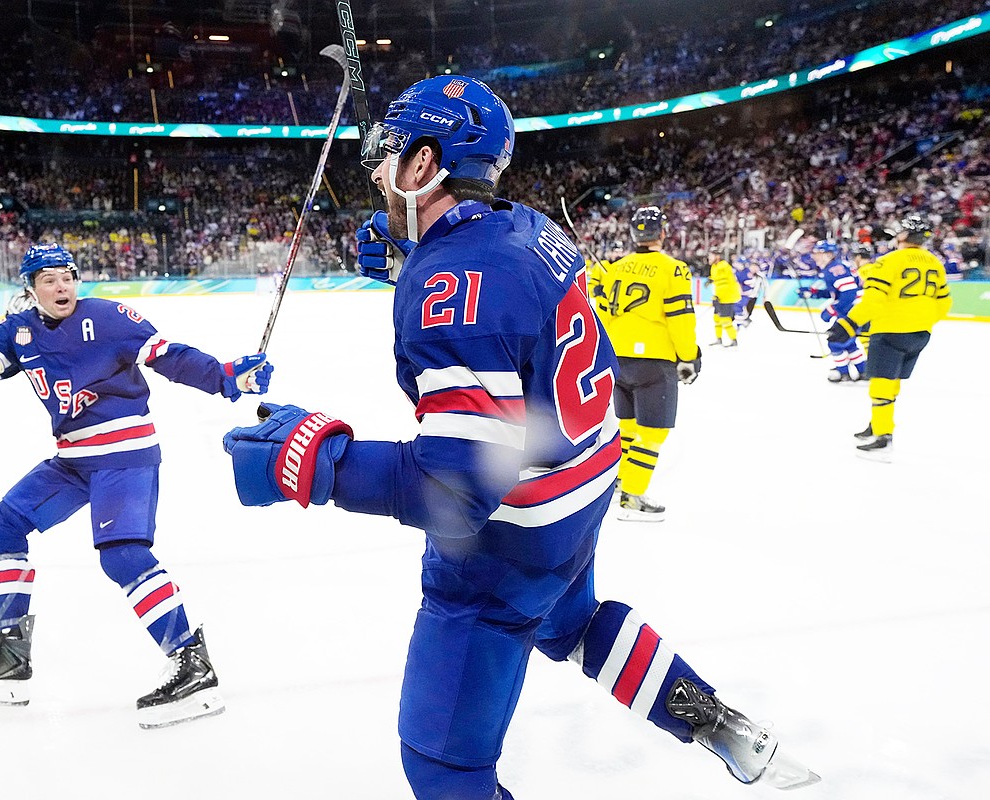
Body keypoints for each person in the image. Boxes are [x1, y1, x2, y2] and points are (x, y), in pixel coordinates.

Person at [221, 76, 817, 799]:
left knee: (443, 765)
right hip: (581, 489)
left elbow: (454, 488)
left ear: (422, 166)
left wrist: (314, 462)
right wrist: (418, 260)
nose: (375, 169)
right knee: (572, 622)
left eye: (389, 153)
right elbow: (510, 313)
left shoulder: (455, 284)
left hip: (508, 537)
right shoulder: (535, 227)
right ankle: (718, 721)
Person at [0, 243, 273, 727]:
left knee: (123, 554)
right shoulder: (19, 331)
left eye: (67, 276)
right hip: (72, 459)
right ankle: (12, 656)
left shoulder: (109, 316)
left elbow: (168, 356)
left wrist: (225, 377)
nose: (61, 286)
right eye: (48, 279)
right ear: (30, 289)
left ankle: (191, 662)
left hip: (124, 453)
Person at [598, 206, 701, 521]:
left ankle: (619, 482)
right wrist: (689, 355)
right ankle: (633, 497)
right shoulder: (673, 269)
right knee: (653, 434)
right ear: (663, 233)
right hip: (653, 362)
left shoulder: (615, 267)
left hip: (618, 359)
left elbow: (601, 312)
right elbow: (681, 319)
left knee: (628, 428)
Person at [829, 214, 951, 461]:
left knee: (881, 383)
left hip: (890, 331)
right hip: (920, 334)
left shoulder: (889, 261)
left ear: (904, 236)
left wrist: (849, 323)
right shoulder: (935, 263)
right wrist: (922, 322)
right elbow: (944, 303)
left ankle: (883, 436)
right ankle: (877, 424)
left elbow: (874, 299)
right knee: (893, 381)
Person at [801, 240, 866, 382]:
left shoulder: (835, 269)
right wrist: (813, 293)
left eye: (818, 253)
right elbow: (838, 292)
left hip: (854, 311)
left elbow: (849, 294)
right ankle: (864, 370)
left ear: (828, 254)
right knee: (848, 342)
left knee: (835, 341)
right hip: (858, 309)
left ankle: (842, 372)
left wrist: (832, 310)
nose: (815, 256)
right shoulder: (835, 266)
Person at [707, 251, 741, 346]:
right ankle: (718, 339)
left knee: (725, 320)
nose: (709, 258)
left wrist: (719, 296)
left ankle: (733, 340)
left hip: (726, 298)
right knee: (717, 318)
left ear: (717, 257)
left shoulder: (724, 266)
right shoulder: (714, 267)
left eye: (711, 256)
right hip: (719, 297)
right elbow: (717, 281)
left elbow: (727, 283)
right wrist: (711, 280)